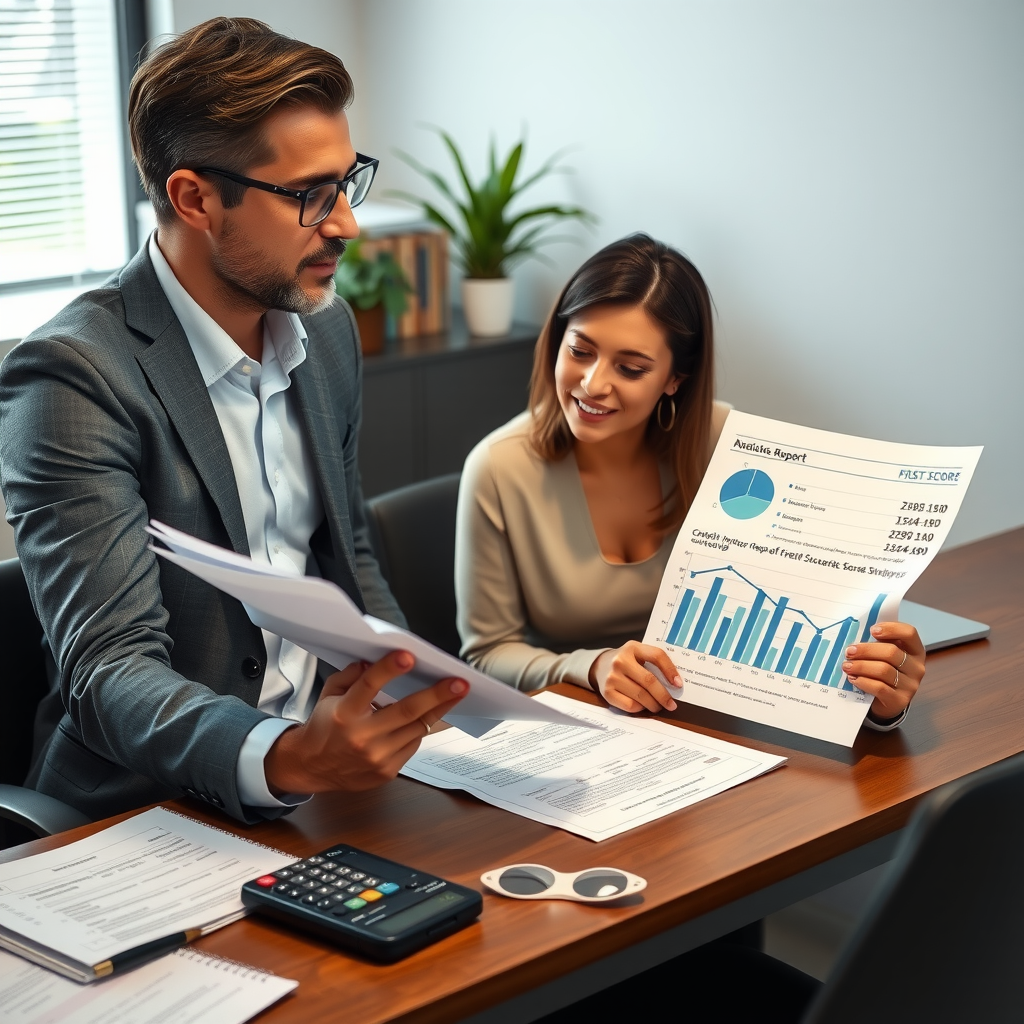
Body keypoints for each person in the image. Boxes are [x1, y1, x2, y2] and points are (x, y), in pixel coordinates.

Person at [0, 18, 467, 825]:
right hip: (151, 809)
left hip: (326, 783)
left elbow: (347, 553)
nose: (347, 224)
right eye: (309, 196)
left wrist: (419, 699)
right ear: (195, 197)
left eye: (345, 180)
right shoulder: (74, 377)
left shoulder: (324, 330)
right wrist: (281, 757)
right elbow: (109, 669)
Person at [456, 233, 924, 728]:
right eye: (580, 351)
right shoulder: (498, 467)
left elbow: (801, 617)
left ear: (675, 379)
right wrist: (588, 667)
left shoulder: (731, 448)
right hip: (580, 728)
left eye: (631, 368)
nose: (593, 384)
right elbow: (487, 654)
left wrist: (877, 700)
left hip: (718, 724)